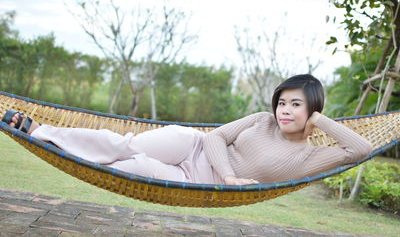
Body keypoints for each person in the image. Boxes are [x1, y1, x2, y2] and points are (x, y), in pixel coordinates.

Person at [2, 74, 372, 185]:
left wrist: (319, 120)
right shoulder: (261, 120)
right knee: (124, 144)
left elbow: (360, 150)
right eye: (282, 101)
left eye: (295, 104)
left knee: (130, 168)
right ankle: (40, 131)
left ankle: (58, 147)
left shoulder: (312, 155)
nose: (284, 110)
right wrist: (228, 176)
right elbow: (214, 137)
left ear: (312, 109)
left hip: (193, 181)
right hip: (191, 147)